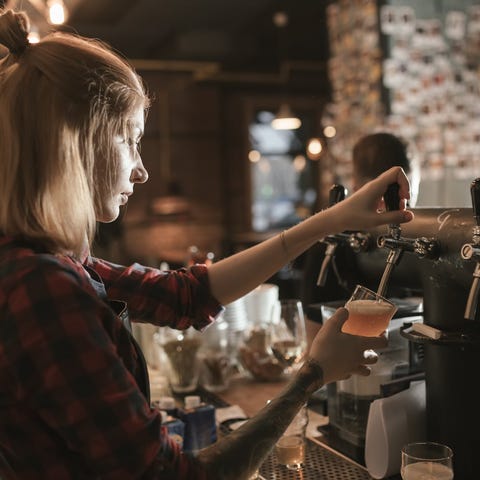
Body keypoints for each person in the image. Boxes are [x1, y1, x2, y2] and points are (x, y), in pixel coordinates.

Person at [0, 9, 413, 480]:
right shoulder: (43, 288)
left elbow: (188, 294)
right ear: (75, 143)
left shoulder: (40, 262)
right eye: (128, 140)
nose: (141, 169)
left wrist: (330, 220)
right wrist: (312, 374)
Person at [300, 131, 418, 350]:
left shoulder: (421, 242)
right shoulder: (333, 243)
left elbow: (312, 341)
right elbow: (313, 337)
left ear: (354, 185)